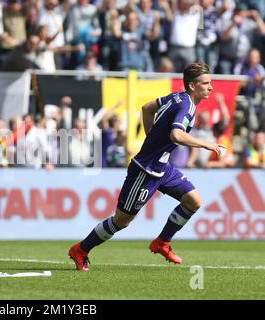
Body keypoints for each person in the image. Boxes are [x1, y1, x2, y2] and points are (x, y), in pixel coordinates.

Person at [68, 62, 224, 270]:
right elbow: (176, 134)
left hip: (163, 166)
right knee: (121, 221)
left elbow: (147, 107)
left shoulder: (178, 97)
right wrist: (207, 144)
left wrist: (152, 136)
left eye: (210, 82)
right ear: (192, 86)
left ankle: (162, 242)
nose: (211, 87)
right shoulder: (186, 105)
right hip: (145, 170)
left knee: (193, 201)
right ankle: (80, 249)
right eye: (206, 83)